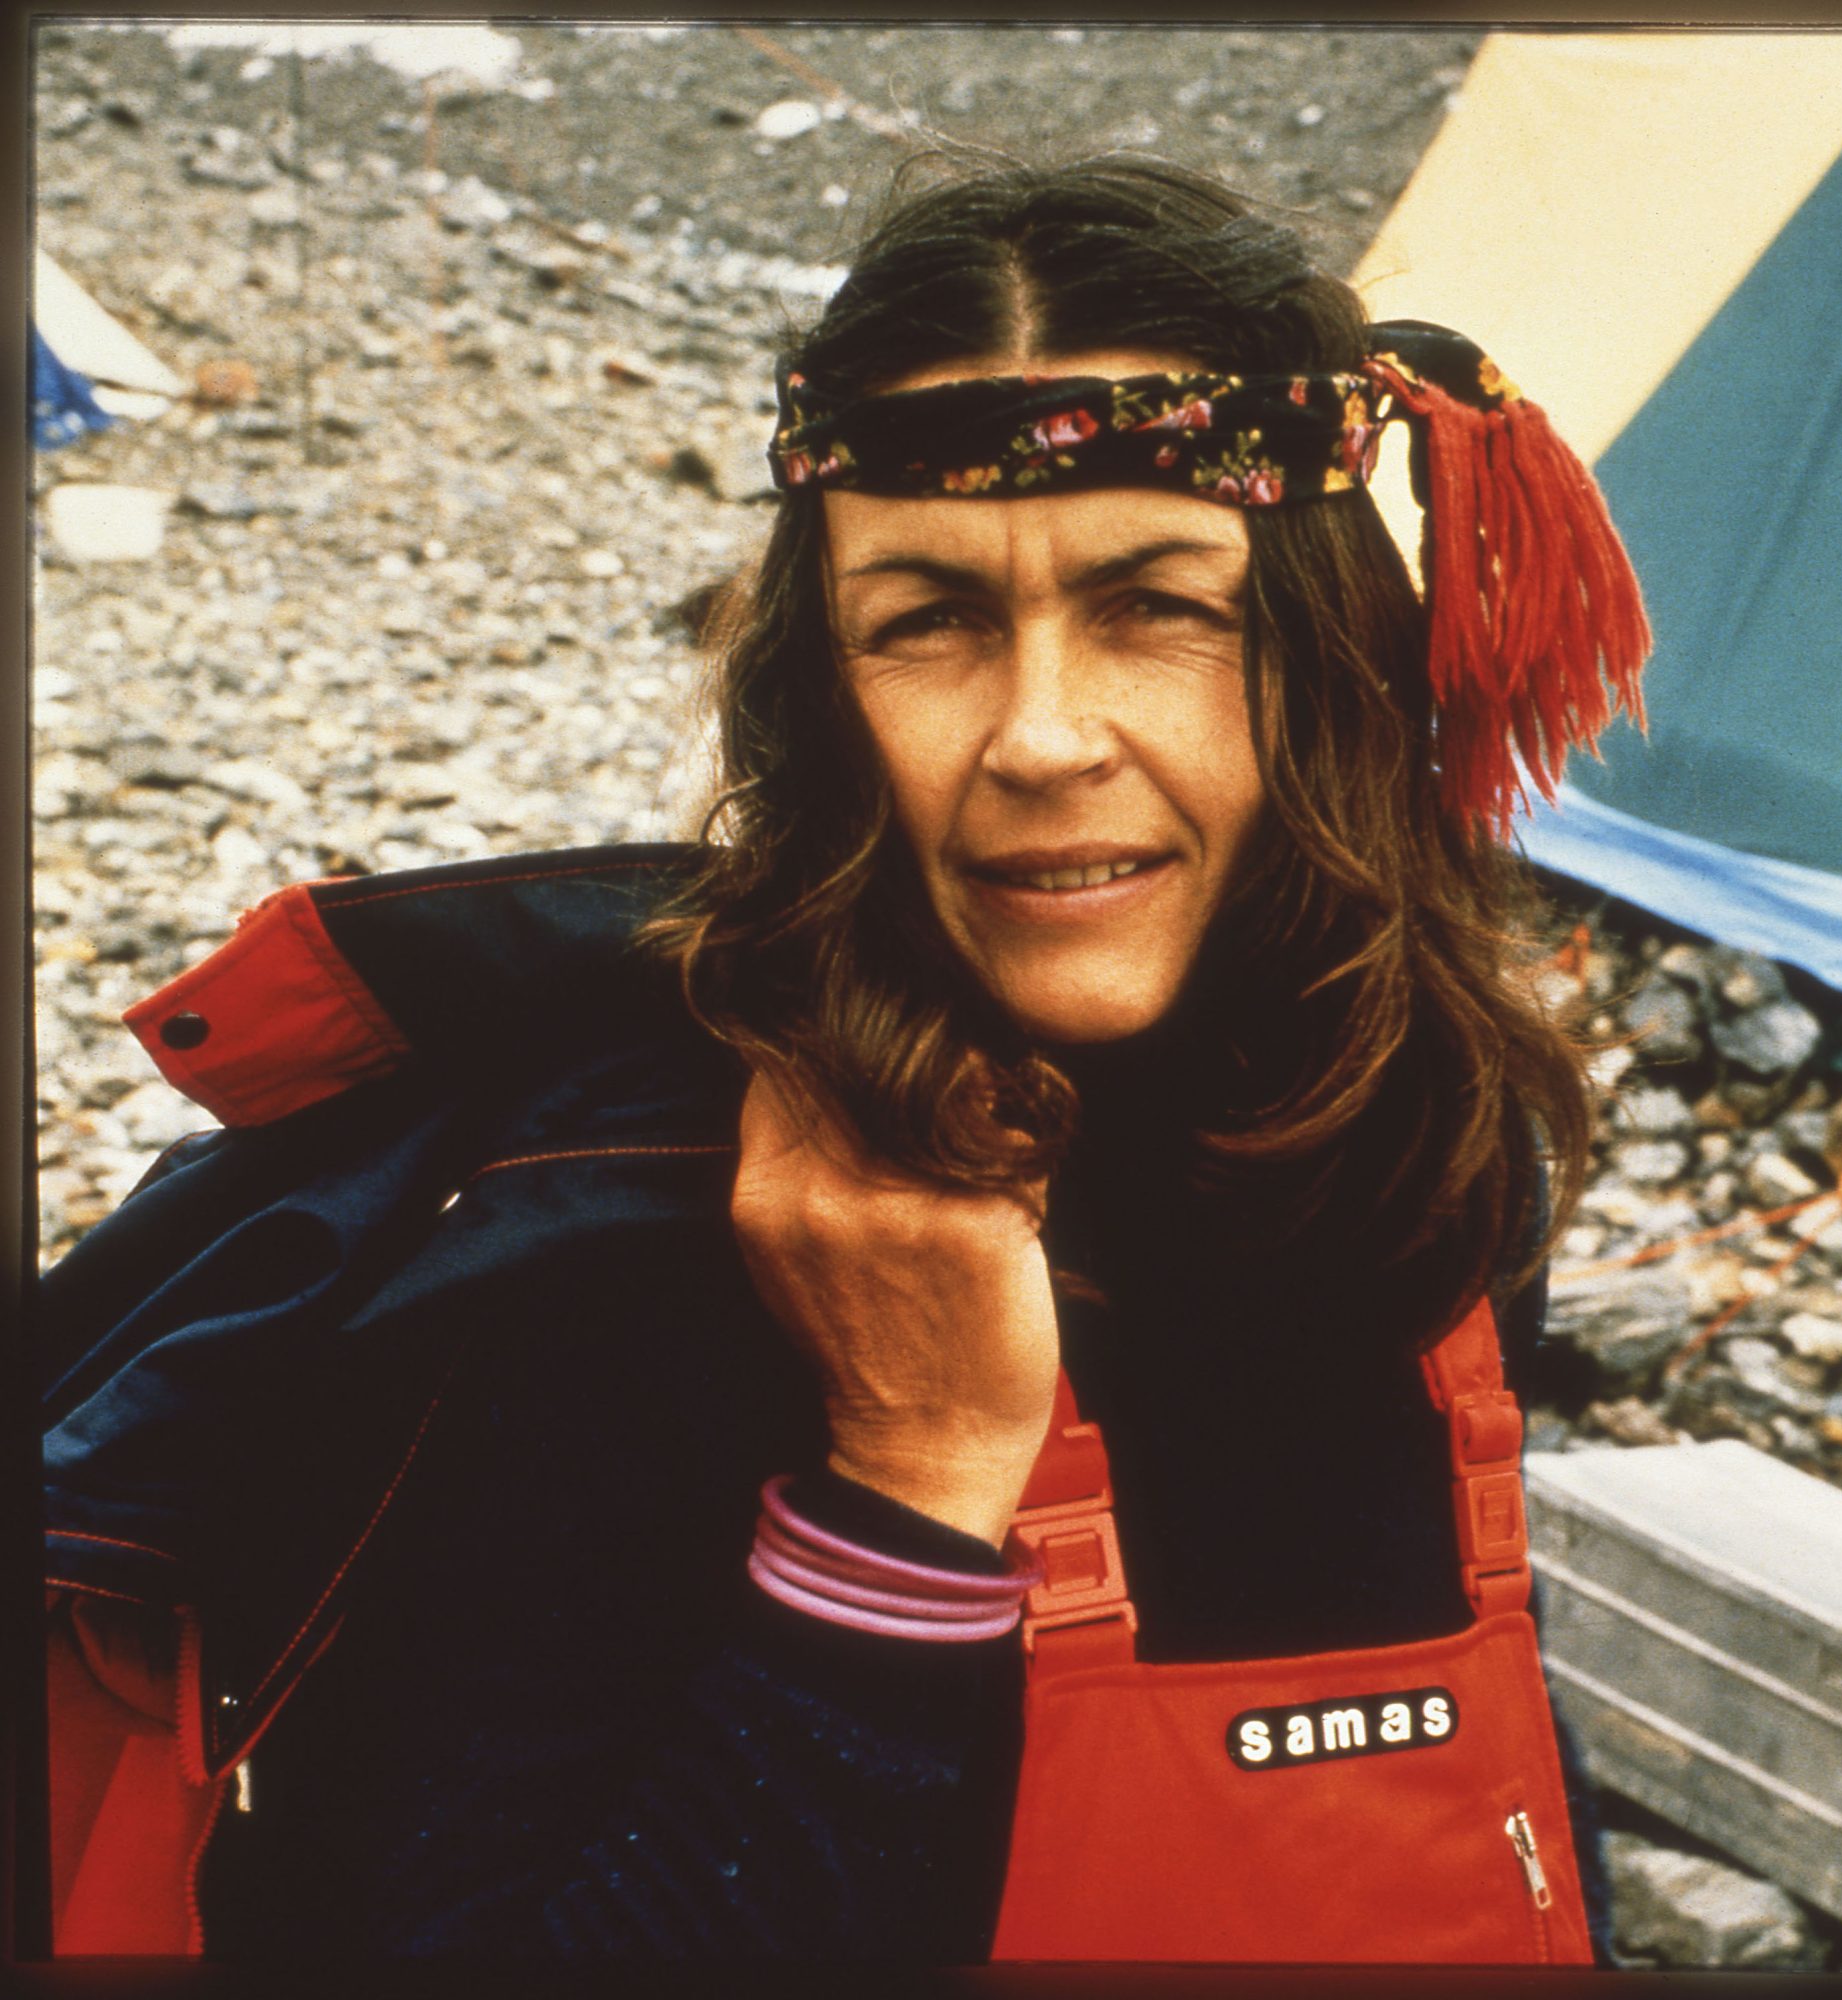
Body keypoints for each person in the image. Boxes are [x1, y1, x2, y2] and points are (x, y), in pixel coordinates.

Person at [40, 154, 1647, 1963]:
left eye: (1158, 606)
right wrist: (909, 1488)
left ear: (1334, 657)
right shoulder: (631, 1242)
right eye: (930, 621)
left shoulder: (1430, 1145)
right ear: (824, 691)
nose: (1041, 737)